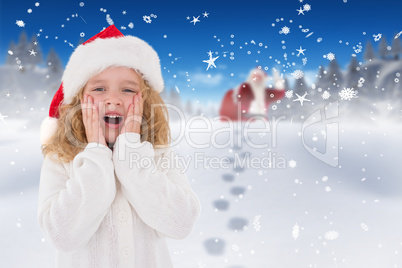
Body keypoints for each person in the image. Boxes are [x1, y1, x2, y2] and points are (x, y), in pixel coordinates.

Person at [38, 25, 200, 267]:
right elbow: (63, 236)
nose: (113, 99)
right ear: (78, 102)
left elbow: (180, 224)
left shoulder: (158, 154)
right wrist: (95, 154)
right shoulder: (61, 158)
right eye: (99, 89)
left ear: (144, 102)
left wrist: (131, 156)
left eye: (127, 90)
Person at [219, 67, 285, 121]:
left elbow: (279, 94)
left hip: (261, 122)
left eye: (259, 77)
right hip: (243, 122)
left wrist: (278, 81)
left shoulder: (266, 93)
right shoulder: (243, 89)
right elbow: (238, 104)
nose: (257, 79)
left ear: (263, 79)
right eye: (255, 77)